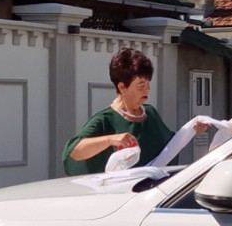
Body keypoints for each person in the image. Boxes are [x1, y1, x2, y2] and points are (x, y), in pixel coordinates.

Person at [63, 48, 209, 175]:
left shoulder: (150, 113)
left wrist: (192, 129)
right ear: (122, 87)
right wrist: (111, 139)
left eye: (148, 84)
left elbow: (168, 145)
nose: (147, 90)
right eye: (141, 85)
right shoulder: (105, 120)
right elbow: (74, 151)